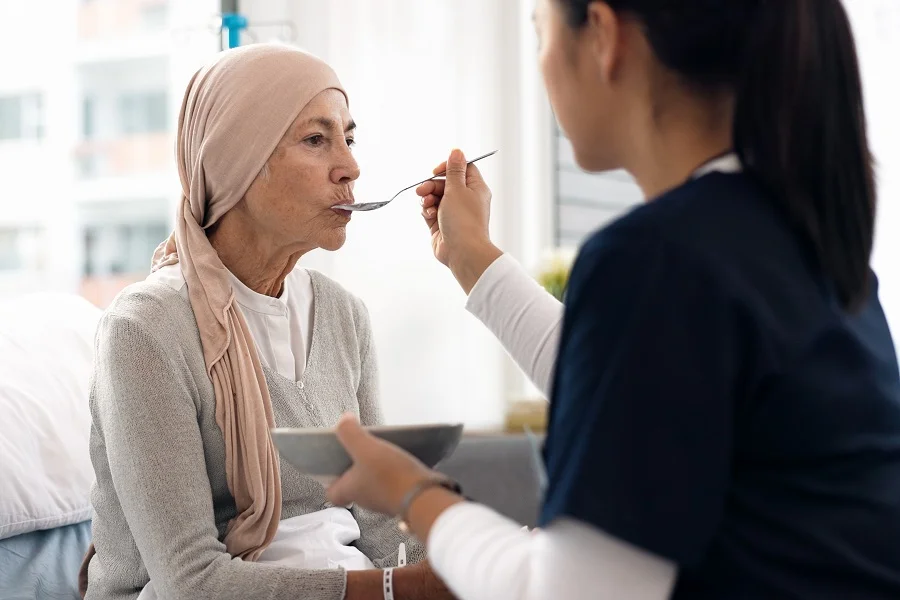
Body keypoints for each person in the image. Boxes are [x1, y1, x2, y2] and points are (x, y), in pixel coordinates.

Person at [325, 1, 900, 598]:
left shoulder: (660, 258)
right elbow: (639, 387)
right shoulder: (794, 240)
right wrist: (473, 260)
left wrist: (413, 494)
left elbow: (569, 591)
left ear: (603, 35)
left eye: (540, 32)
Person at [81, 44, 452, 600]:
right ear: (237, 162)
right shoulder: (145, 330)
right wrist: (399, 589)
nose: (350, 167)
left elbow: (381, 525)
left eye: (348, 140)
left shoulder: (344, 315)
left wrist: (459, 568)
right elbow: (191, 583)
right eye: (316, 140)